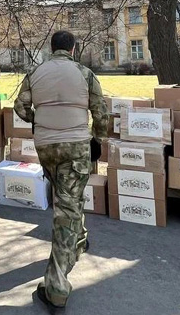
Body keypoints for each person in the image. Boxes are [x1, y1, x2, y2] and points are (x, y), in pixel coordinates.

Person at [13, 30, 108, 310]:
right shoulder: (84, 73)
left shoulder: (36, 72)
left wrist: (39, 118)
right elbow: (101, 111)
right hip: (76, 145)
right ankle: (56, 286)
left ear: (51, 48)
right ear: (73, 49)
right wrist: (98, 139)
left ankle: (78, 241)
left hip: (46, 146)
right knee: (67, 207)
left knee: (67, 197)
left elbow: (20, 106)